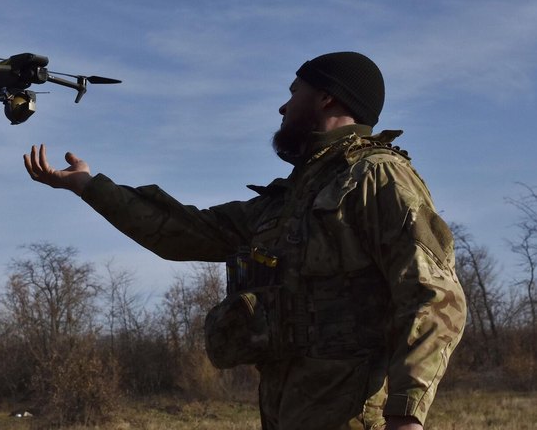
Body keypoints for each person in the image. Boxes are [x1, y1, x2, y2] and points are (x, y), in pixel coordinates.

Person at [24, 51, 466, 430]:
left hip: (352, 415)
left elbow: (435, 296)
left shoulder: (377, 175)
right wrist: (88, 186)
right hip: (286, 412)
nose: (282, 106)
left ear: (327, 96)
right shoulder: (287, 198)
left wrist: (406, 414)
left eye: (294, 91)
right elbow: (182, 231)